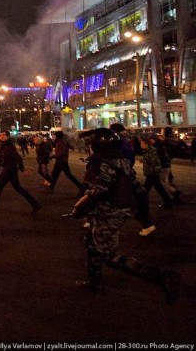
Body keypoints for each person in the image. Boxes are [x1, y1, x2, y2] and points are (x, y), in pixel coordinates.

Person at [71, 128, 180, 305]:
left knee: (110, 255)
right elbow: (137, 187)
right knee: (92, 244)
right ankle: (94, 282)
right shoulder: (121, 161)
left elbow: (97, 191)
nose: (89, 147)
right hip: (118, 210)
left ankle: (161, 276)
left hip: (107, 213)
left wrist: (79, 209)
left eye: (91, 145)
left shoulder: (100, 164)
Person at [0, 130, 41, 213]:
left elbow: (18, 158)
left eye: (4, 135)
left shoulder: (9, 146)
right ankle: (35, 204)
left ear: (8, 136)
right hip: (10, 169)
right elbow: (3, 155)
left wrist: (22, 169)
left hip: (9, 169)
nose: (2, 136)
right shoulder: (4, 145)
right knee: (18, 188)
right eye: (1, 135)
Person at [150, 134, 181, 204]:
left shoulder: (157, 146)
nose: (150, 141)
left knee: (161, 182)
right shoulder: (162, 145)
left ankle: (174, 191)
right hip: (167, 165)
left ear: (154, 139)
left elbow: (158, 157)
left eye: (151, 140)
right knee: (165, 181)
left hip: (163, 166)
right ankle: (171, 197)